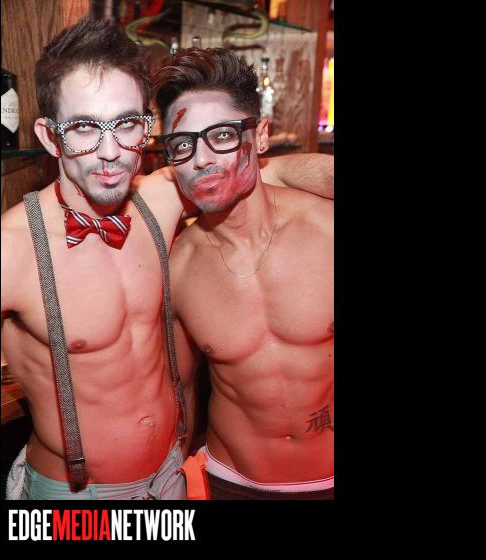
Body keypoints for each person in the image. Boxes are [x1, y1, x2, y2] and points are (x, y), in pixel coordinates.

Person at [1, 16, 333, 500]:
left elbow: (243, 170)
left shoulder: (160, 199)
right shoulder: (12, 247)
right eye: (84, 128)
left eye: (126, 125)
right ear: (50, 138)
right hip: (76, 497)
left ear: (145, 127)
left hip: (169, 479)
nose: (110, 152)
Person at [154, 48, 334, 499]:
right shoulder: (178, 269)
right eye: (182, 145)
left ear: (262, 135)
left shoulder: (327, 231)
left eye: (222, 136)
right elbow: (180, 394)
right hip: (231, 483)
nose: (201, 160)